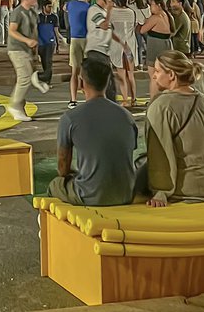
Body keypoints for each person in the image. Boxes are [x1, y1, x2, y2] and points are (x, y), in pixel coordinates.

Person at [142, 50, 204, 207]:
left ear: (171, 75)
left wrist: (161, 192)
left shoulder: (161, 107)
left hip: (189, 187)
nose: (154, 76)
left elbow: (160, 155)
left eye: (158, 71)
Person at [47, 56, 137, 206]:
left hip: (90, 195)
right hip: (126, 193)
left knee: (55, 185)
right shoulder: (127, 117)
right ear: (108, 82)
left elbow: (63, 167)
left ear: (81, 83)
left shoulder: (70, 118)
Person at [6, 0, 49, 121]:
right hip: (16, 49)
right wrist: (27, 41)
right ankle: (14, 106)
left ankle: (20, 108)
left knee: (27, 77)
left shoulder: (32, 12)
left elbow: (34, 32)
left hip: (28, 50)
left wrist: (35, 51)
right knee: (24, 78)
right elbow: (12, 30)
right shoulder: (17, 12)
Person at [65, 0, 90, 106]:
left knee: (74, 71)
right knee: (86, 72)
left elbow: (64, 8)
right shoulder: (89, 7)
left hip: (74, 39)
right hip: (87, 39)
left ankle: (73, 100)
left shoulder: (70, 4)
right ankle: (89, 98)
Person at [36, 0, 60, 86]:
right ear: (44, 7)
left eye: (51, 7)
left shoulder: (54, 17)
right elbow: (35, 30)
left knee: (48, 61)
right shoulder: (38, 17)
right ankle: (43, 78)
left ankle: (46, 80)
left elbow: (56, 31)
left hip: (50, 42)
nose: (50, 9)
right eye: (49, 7)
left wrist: (58, 44)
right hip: (41, 42)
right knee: (44, 61)